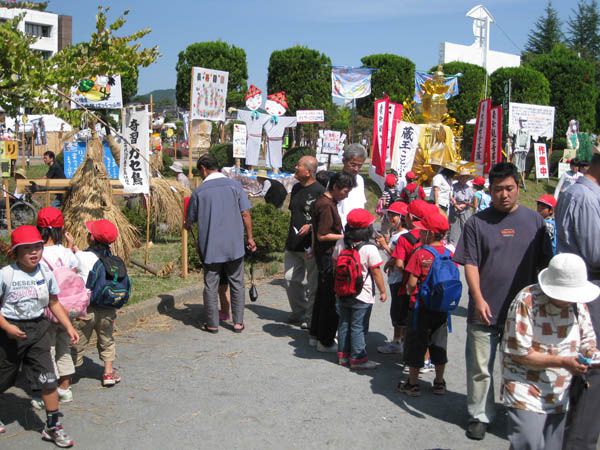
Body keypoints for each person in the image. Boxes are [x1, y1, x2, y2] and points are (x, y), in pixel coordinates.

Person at [454, 162, 551, 441]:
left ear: (518, 188)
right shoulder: (476, 223)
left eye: (509, 188)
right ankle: (479, 415)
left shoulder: (535, 222)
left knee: (521, 365)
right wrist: (479, 298)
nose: (504, 195)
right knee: (480, 367)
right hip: (485, 308)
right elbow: (470, 264)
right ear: (490, 190)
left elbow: (544, 265)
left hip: (524, 312)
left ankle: (519, 412)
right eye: (498, 190)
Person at [501, 253, 600, 450]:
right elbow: (519, 353)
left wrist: (590, 355)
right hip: (525, 386)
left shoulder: (578, 304)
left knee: (552, 446)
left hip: (559, 388)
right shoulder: (527, 301)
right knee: (527, 442)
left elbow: (588, 339)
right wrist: (563, 362)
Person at [0, 225, 79, 447]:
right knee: (4, 377)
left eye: (37, 247)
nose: (34, 252)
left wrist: (68, 326)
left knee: (48, 378)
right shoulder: (5, 275)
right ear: (15, 252)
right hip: (10, 333)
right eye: (27, 249)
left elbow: (53, 302)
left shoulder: (45, 273)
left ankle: (52, 426)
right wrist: (6, 327)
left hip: (39, 329)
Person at [556, 153, 600, 450]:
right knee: (591, 369)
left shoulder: (582, 193)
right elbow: (595, 254)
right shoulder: (584, 197)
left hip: (586, 288)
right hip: (589, 288)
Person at [185, 154, 256, 334]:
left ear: (203, 169)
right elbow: (245, 214)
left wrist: (187, 223)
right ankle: (238, 322)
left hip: (211, 247)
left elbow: (189, 221)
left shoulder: (199, 192)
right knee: (237, 283)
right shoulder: (235, 186)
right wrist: (250, 237)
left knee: (211, 285)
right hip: (234, 246)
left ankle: (212, 324)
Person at [398, 212, 452, 396]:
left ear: (430, 233)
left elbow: (411, 283)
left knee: (416, 344)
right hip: (441, 307)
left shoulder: (421, 254)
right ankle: (439, 382)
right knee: (438, 343)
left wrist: (407, 291)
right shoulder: (449, 253)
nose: (419, 233)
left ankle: (412, 384)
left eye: (423, 231)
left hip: (420, 307)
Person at [30, 208, 79, 409]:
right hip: (67, 309)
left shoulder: (35, 254)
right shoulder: (67, 252)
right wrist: (70, 247)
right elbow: (72, 275)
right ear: (61, 229)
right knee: (64, 348)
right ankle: (65, 389)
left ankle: (46, 393)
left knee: (45, 351)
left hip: (45, 310)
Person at [333, 209, 386, 370]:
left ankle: (343, 356)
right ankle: (358, 359)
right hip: (362, 294)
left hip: (342, 291)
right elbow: (376, 272)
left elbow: (335, 264)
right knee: (359, 326)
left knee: (343, 324)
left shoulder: (341, 243)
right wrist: (383, 290)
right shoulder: (370, 248)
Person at [72, 219, 123, 387]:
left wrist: (71, 247)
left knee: (77, 340)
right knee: (107, 339)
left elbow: (74, 263)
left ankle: (67, 375)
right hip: (107, 308)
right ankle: (108, 373)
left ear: (91, 238)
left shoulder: (80, 256)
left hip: (85, 309)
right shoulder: (114, 260)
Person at [309, 172, 355, 352]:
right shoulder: (326, 206)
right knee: (328, 299)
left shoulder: (325, 202)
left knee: (322, 296)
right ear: (334, 187)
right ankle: (325, 340)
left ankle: (315, 335)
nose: (347, 194)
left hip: (323, 255)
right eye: (345, 190)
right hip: (327, 255)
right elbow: (322, 235)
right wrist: (346, 236)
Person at [284, 156, 324, 329]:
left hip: (311, 246)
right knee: (290, 279)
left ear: (308, 171)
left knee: (313, 283)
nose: (295, 166)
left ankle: (310, 317)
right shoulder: (296, 187)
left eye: (298, 165)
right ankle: (299, 311)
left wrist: (311, 226)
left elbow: (324, 218)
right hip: (293, 243)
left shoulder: (320, 191)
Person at [375, 201, 409, 354]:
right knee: (399, 310)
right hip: (397, 277)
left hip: (398, 278)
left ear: (403, 217)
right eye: (389, 215)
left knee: (398, 310)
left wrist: (384, 246)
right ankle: (399, 340)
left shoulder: (401, 236)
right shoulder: (399, 234)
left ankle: (397, 341)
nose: (390, 218)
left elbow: (398, 258)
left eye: (394, 215)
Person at [337, 144, 368, 227]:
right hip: (341, 230)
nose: (356, 169)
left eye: (360, 165)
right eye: (353, 165)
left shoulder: (360, 180)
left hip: (357, 229)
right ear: (344, 161)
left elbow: (361, 205)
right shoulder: (336, 180)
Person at [449, 168, 474, 245]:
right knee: (454, 228)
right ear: (459, 178)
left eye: (466, 177)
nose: (464, 179)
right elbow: (450, 196)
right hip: (454, 209)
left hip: (465, 210)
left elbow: (471, 201)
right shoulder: (453, 186)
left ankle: (467, 245)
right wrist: (456, 205)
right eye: (462, 177)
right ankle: (453, 245)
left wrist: (465, 204)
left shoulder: (469, 188)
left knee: (466, 227)